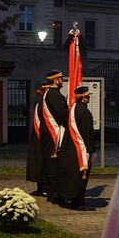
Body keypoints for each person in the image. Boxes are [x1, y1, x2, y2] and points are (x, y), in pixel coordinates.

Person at [57, 86, 95, 210]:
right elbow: (87, 133)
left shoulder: (73, 108)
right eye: (87, 95)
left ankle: (70, 198)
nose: (89, 97)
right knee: (80, 176)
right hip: (81, 149)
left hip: (70, 147)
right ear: (83, 98)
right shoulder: (84, 112)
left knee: (72, 175)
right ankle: (77, 202)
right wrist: (91, 150)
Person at [38, 69, 68, 204]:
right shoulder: (54, 95)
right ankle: (55, 194)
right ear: (56, 80)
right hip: (53, 134)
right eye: (61, 79)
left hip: (48, 135)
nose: (63, 81)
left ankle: (52, 192)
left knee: (51, 165)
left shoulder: (49, 93)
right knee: (54, 165)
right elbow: (63, 114)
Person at [25, 80, 49, 197]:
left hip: (43, 135)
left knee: (42, 163)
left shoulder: (45, 102)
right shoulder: (40, 101)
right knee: (38, 162)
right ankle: (40, 187)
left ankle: (44, 187)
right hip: (38, 135)